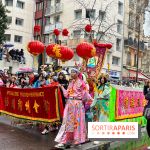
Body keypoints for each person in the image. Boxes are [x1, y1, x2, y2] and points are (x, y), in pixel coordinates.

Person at [54, 68, 93, 148]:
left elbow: (85, 95)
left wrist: (86, 102)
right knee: (68, 123)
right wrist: (61, 87)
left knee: (77, 123)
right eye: (71, 72)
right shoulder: (71, 82)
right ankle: (65, 140)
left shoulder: (82, 83)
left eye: (73, 72)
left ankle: (77, 140)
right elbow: (66, 94)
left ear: (77, 73)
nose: (71, 74)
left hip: (77, 105)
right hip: (70, 104)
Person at [90, 76, 111, 145]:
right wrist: (92, 104)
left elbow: (107, 97)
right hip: (98, 105)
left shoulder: (108, 87)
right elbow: (96, 97)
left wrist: (101, 97)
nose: (102, 80)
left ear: (105, 79)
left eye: (103, 78)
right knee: (96, 120)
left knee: (102, 120)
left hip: (104, 105)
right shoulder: (98, 87)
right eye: (101, 78)